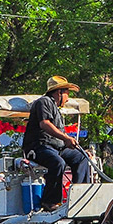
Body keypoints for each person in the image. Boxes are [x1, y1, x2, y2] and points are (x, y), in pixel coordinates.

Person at [22, 76, 90, 211]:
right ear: (59, 92)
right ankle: (49, 202)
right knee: (58, 162)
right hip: (38, 147)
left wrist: (69, 144)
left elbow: (58, 138)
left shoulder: (55, 108)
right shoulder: (43, 102)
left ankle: (80, 197)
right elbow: (44, 123)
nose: (68, 98)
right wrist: (66, 138)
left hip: (55, 147)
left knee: (82, 157)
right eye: (67, 93)